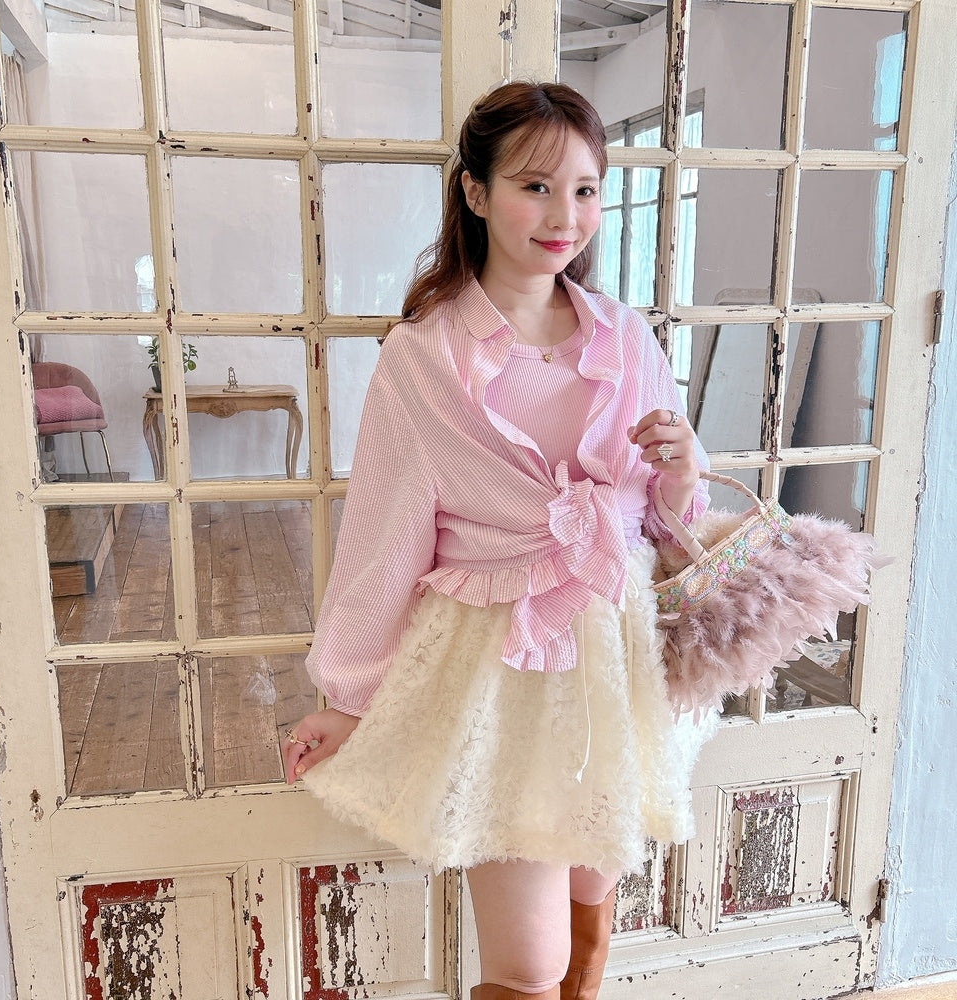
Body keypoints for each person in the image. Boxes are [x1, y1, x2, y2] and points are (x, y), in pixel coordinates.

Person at [282, 81, 712, 1000]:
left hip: (616, 659)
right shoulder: (424, 355)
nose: (565, 216)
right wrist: (350, 699)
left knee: (593, 921)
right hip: (499, 668)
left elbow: (661, 520)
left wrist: (682, 470)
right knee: (528, 964)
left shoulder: (625, 338)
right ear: (475, 192)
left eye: (585, 190)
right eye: (535, 187)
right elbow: (384, 538)